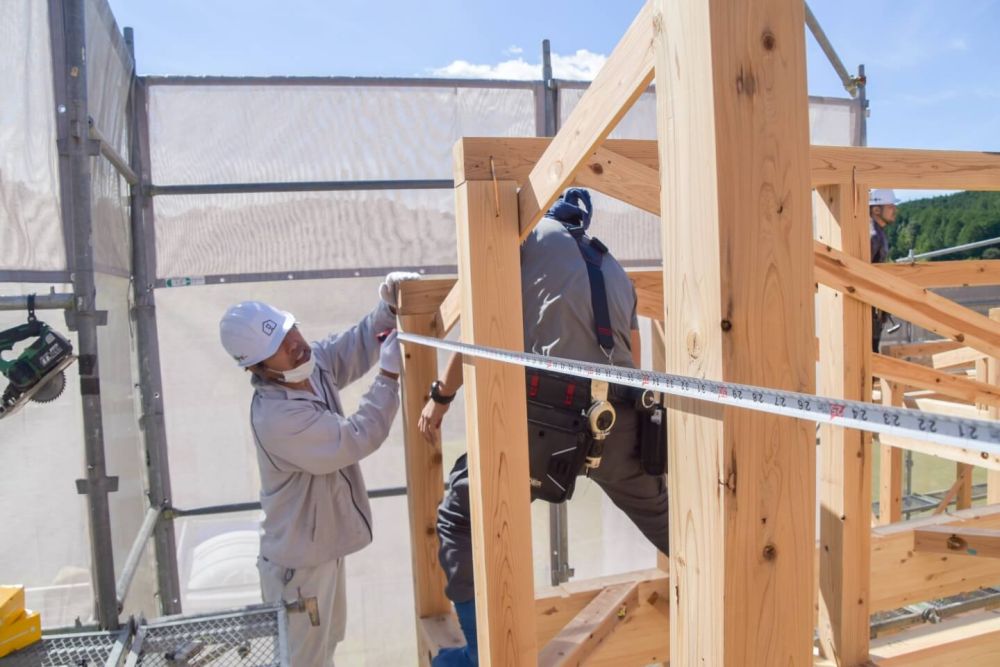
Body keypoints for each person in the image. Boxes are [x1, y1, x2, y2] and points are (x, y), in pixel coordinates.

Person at [418, 189, 669, 667]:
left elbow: (478, 328)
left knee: (460, 517)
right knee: (671, 525)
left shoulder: (524, 240)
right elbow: (633, 359)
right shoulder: (612, 267)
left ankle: (481, 656)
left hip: (550, 421)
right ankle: (748, 598)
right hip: (623, 419)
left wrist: (441, 397)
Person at [218, 272, 418, 666]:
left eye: (292, 331)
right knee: (304, 661)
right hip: (300, 569)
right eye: (280, 345)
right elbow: (355, 438)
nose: (296, 345)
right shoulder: (278, 417)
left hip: (319, 548)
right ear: (258, 367)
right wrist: (390, 376)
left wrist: (388, 308)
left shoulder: (307, 367)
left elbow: (354, 347)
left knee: (326, 647)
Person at [870, 188, 899, 351]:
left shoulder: (877, 232)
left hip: (873, 307)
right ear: (876, 209)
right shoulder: (872, 235)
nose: (895, 210)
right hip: (868, 307)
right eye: (890, 207)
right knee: (869, 355)